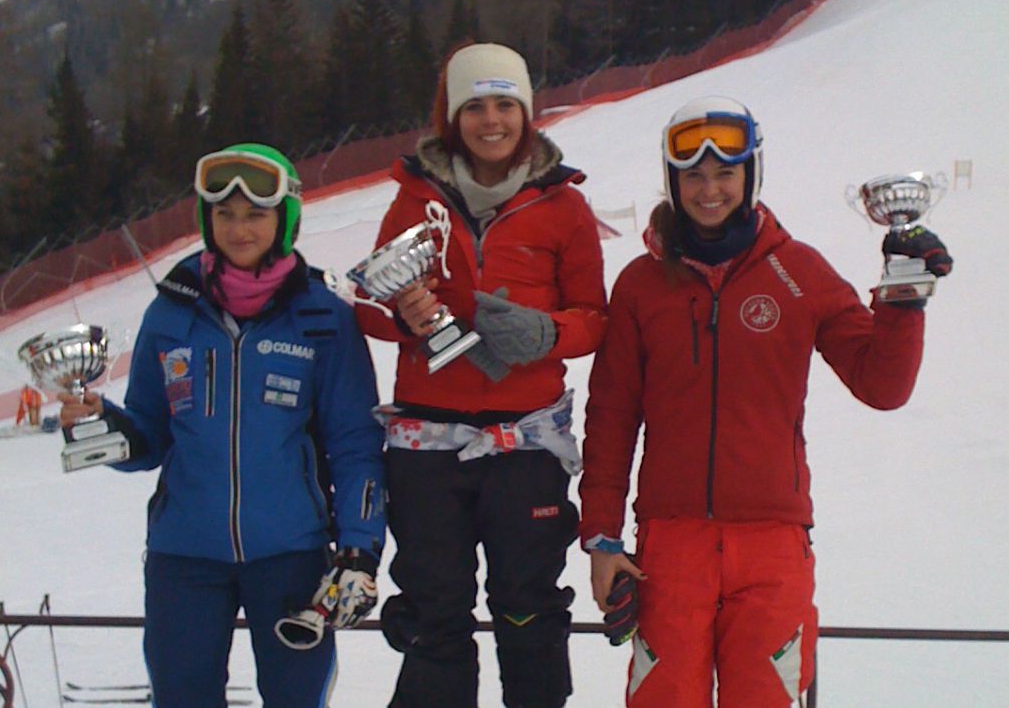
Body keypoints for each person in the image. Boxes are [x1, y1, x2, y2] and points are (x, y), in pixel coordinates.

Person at [579, 96, 953, 708]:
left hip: (773, 544)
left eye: (725, 173)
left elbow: (882, 386)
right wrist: (602, 537)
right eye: (693, 176)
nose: (709, 190)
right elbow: (611, 418)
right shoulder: (642, 284)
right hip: (671, 546)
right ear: (673, 182)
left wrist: (903, 301)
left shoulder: (798, 271)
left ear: (751, 175)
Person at [58, 143, 386, 708]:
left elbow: (355, 443)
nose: (239, 229)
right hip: (185, 556)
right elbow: (148, 437)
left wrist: (359, 549)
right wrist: (97, 424)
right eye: (224, 214)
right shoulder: (171, 310)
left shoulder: (323, 316)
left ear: (285, 220)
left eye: (256, 214)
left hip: (291, 555)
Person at [353, 42, 608, 708]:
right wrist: (403, 317)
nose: (491, 120)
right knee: (434, 607)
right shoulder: (413, 199)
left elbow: (594, 317)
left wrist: (548, 332)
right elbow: (370, 305)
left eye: (504, 104)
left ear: (526, 112)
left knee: (528, 605)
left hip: (525, 443)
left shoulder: (564, 205)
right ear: (451, 116)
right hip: (427, 445)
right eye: (474, 107)